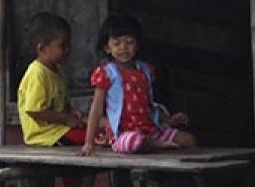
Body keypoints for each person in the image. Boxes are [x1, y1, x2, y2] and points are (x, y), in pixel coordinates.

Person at [16, 12, 107, 187]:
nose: (67, 50)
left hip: (59, 131)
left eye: (68, 45)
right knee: (94, 142)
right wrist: (65, 119)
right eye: (62, 45)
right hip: (44, 136)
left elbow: (61, 103)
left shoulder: (57, 70)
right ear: (42, 47)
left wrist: (73, 113)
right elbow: (33, 110)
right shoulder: (37, 73)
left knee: (83, 161)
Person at [81, 14, 197, 156]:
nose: (123, 48)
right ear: (107, 48)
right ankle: (153, 145)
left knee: (189, 139)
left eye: (129, 42)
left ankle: (155, 146)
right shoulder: (106, 73)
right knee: (133, 142)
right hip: (123, 135)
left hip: (150, 130)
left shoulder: (146, 70)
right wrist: (88, 142)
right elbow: (96, 110)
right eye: (117, 43)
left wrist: (169, 120)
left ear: (138, 45)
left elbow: (149, 105)